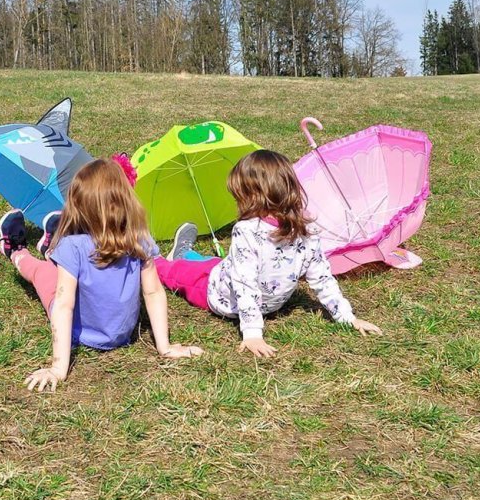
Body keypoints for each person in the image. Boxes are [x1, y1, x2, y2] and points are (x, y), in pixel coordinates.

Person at [0, 158, 203, 392]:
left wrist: (57, 369)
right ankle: (37, 250)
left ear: (78, 207)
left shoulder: (79, 247)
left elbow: (62, 305)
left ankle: (19, 251)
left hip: (79, 321)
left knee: (42, 271)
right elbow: (153, 292)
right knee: (55, 264)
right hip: (116, 330)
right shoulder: (139, 239)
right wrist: (164, 347)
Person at [154, 149, 383, 358]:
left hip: (213, 292)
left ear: (252, 196)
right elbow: (322, 278)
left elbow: (245, 284)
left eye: (238, 196)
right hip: (228, 276)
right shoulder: (306, 229)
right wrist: (347, 317)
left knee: (179, 273)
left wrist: (252, 333)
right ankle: (181, 254)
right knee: (213, 264)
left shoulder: (247, 230)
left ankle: (155, 261)